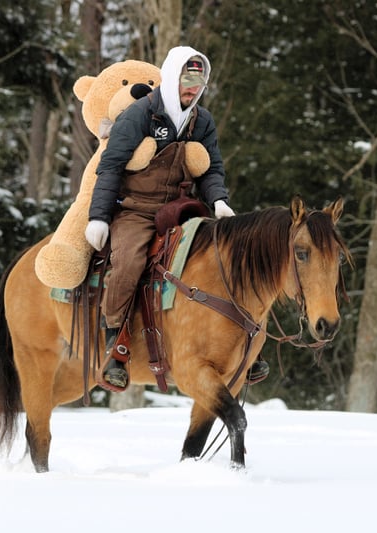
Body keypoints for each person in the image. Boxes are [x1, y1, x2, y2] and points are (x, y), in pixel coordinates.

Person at [84, 45, 268, 390]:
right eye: (187, 80)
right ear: (171, 77)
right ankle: (115, 343)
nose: (192, 89)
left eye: (199, 83)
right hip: (136, 209)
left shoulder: (203, 120)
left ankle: (244, 341)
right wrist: (99, 217)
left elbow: (211, 169)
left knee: (226, 255)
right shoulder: (139, 114)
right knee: (129, 261)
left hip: (182, 208)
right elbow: (110, 167)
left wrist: (219, 201)